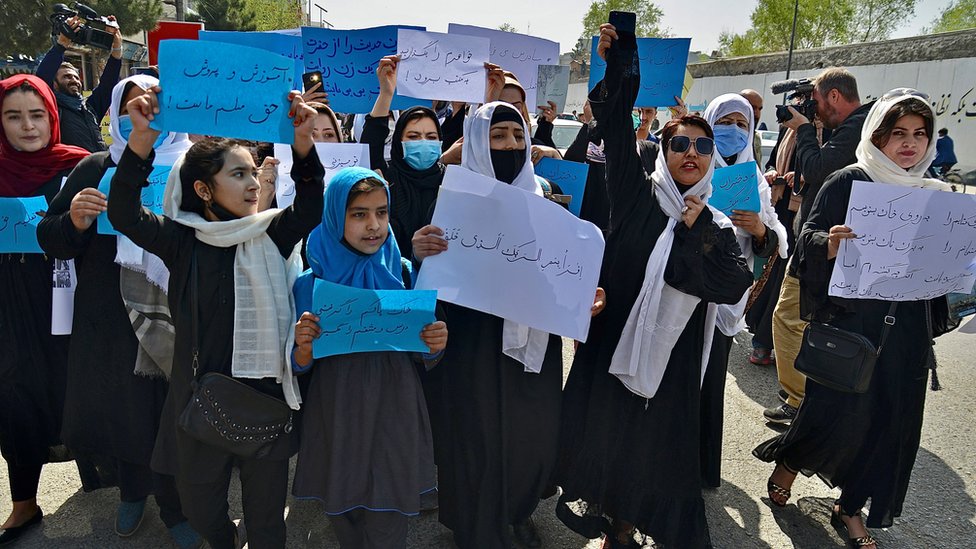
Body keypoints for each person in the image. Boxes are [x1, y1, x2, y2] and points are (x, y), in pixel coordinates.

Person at [554, 25, 752, 548]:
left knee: (659, 449)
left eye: (702, 145)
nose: (692, 152)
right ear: (663, 152)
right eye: (680, 143)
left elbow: (732, 284)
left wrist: (694, 233)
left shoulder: (715, 223)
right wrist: (620, 61)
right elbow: (616, 127)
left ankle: (646, 522)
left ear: (712, 156)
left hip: (676, 359)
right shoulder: (636, 197)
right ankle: (618, 526)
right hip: (617, 342)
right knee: (614, 440)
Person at [108, 85, 323, 549]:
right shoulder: (182, 241)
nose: (251, 184)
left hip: (265, 400)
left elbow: (309, 207)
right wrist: (141, 143)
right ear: (203, 189)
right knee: (203, 513)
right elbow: (124, 214)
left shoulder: (272, 235)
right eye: (238, 174)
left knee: (267, 525)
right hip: (197, 405)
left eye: (253, 172)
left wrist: (304, 147)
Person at [754, 89, 954, 549]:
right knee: (834, 412)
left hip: (905, 330)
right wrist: (829, 242)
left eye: (919, 134)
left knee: (889, 423)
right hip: (852, 323)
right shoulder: (850, 180)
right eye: (898, 133)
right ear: (877, 135)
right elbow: (804, 241)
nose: (910, 144)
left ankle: (850, 507)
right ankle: (790, 461)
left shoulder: (935, 193)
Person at [411, 101, 601, 549]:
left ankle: (516, 512)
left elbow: (561, 265)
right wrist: (417, 247)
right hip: (471, 342)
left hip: (532, 342)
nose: (510, 146)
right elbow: (414, 257)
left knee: (530, 438)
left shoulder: (546, 193)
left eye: (517, 136)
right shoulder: (450, 196)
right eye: (497, 137)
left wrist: (581, 297)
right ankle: (477, 526)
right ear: (478, 141)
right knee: (475, 439)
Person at [35, 74, 201, 546]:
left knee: (172, 410)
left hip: (178, 306)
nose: (143, 112)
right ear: (116, 112)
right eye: (131, 105)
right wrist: (76, 219)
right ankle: (132, 491)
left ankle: (176, 506)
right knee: (125, 409)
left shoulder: (194, 166)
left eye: (152, 103)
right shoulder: (94, 165)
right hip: (109, 313)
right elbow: (51, 239)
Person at [290, 166, 447, 549]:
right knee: (341, 506)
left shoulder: (406, 273)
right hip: (336, 410)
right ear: (334, 216)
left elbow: (423, 354)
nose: (374, 225)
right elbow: (298, 366)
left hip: (395, 406)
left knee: (387, 509)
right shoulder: (310, 283)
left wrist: (436, 344)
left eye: (381, 212)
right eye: (359, 214)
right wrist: (303, 348)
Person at [0, 74, 89, 545]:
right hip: (10, 299)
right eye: (13, 116)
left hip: (67, 291)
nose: (27, 126)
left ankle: (100, 474)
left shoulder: (77, 166)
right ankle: (23, 502)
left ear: (53, 117)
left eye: (36, 115)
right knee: (15, 392)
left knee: (77, 379)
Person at [764, 68, 873, 426]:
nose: (814, 108)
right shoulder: (857, 129)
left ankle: (801, 403)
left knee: (788, 319)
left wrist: (805, 130)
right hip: (825, 243)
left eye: (816, 101)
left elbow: (817, 168)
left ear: (835, 97)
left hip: (824, 247)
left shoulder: (857, 129)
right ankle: (813, 400)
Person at [699, 93, 788, 488]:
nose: (733, 130)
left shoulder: (753, 179)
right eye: (725, 121)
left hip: (725, 297)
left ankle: (700, 466)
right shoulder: (686, 163)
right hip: (683, 291)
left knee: (710, 380)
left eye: (742, 124)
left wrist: (758, 228)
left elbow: (772, 245)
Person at [362, 56, 445, 259]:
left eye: (431, 137)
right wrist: (386, 93)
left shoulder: (451, 182)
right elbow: (370, 146)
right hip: (397, 282)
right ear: (399, 142)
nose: (424, 142)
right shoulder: (386, 180)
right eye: (414, 137)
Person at [35, 15, 124, 152]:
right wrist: (62, 44)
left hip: (98, 169)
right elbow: (42, 78)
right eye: (67, 77)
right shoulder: (52, 110)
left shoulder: (89, 108)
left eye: (76, 77)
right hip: (69, 172)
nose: (74, 80)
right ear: (54, 84)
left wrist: (117, 49)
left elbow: (108, 85)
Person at [739, 89, 765, 161]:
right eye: (752, 107)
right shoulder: (729, 136)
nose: (756, 114)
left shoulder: (756, 138)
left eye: (760, 109)